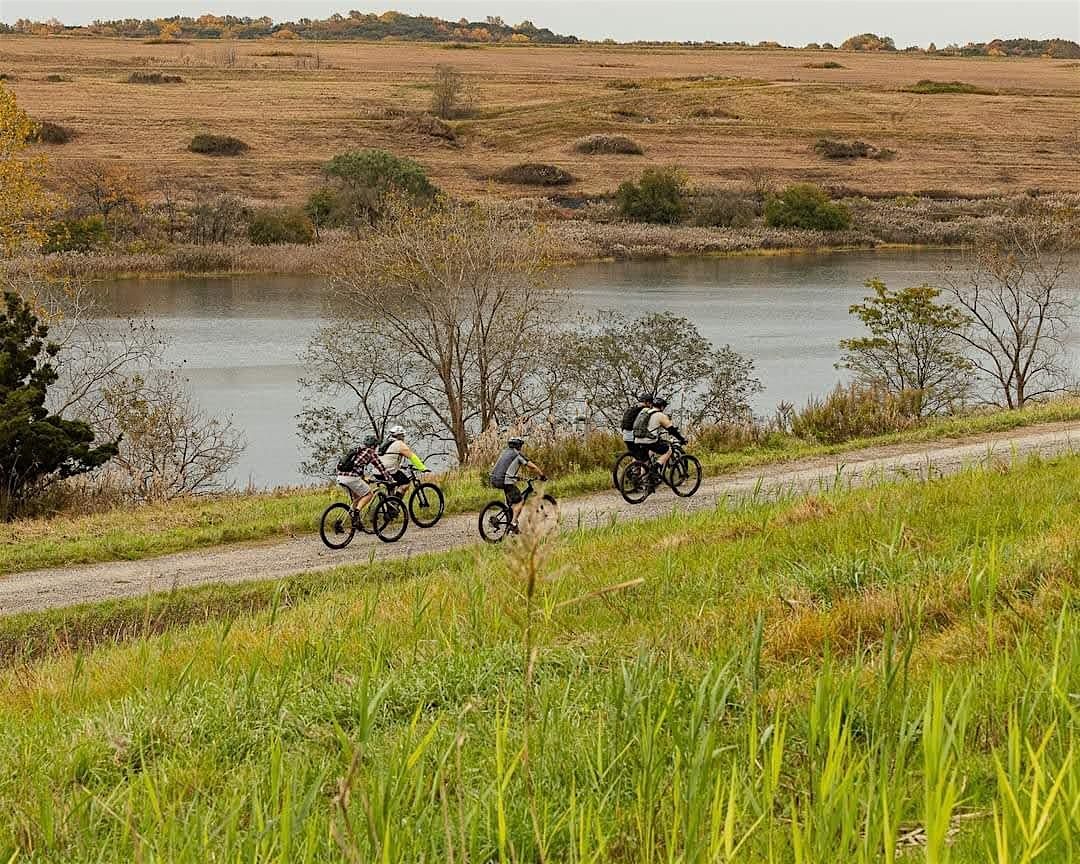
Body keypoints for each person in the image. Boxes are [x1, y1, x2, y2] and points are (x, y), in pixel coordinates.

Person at [489, 436, 546, 528]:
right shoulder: (517, 454)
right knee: (520, 501)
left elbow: (505, 469)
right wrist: (542, 475)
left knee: (511, 502)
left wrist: (517, 477)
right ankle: (513, 523)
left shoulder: (504, 453)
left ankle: (510, 521)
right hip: (505, 481)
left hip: (494, 479)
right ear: (519, 446)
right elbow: (532, 467)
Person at [632, 396, 686, 482]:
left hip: (637, 439)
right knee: (668, 450)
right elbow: (671, 430)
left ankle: (643, 482)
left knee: (645, 461)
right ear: (662, 407)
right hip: (649, 441)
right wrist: (682, 439)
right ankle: (656, 467)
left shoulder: (644, 411)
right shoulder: (660, 415)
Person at [336, 434, 392, 515]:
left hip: (340, 477)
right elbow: (381, 468)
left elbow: (356, 466)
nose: (376, 448)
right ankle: (356, 513)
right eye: (376, 446)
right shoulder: (370, 452)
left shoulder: (357, 450)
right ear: (373, 446)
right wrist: (390, 479)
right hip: (351, 478)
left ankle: (354, 519)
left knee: (357, 497)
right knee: (369, 494)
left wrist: (363, 478)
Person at [379, 424, 428, 494]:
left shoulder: (385, 444)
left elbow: (389, 458)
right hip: (389, 471)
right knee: (405, 483)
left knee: (392, 486)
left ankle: (389, 502)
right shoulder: (399, 444)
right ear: (399, 436)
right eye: (403, 435)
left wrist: (401, 466)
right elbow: (412, 456)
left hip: (378, 471)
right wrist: (422, 468)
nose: (404, 437)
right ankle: (396, 502)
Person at [620, 393, 653, 459]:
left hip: (625, 436)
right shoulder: (644, 410)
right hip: (633, 437)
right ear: (648, 402)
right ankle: (642, 468)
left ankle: (632, 468)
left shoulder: (632, 408)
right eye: (651, 403)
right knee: (645, 457)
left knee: (637, 456)